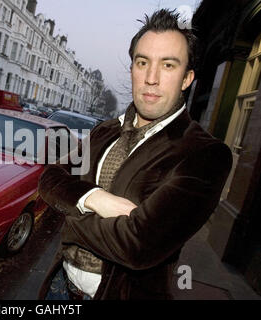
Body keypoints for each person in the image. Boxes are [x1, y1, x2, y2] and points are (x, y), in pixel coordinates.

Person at [37, 9, 233, 300]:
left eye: (168, 65)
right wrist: (95, 198)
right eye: (143, 63)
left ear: (187, 78)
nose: (151, 78)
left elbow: (137, 246)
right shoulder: (104, 130)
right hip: (60, 288)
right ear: (132, 70)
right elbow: (50, 178)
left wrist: (69, 218)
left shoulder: (205, 154)